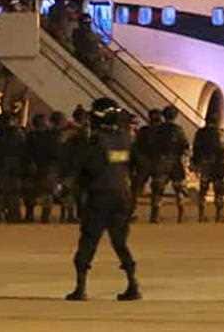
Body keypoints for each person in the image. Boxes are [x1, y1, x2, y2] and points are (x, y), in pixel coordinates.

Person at [60, 98, 141, 301]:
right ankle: (133, 284)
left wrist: (67, 187)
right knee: (120, 242)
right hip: (122, 195)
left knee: (88, 241)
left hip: (99, 196)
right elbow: (134, 166)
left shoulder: (94, 141)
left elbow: (86, 168)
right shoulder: (125, 138)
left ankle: (80, 288)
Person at [149, 106, 190, 224]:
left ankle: (155, 215)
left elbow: (151, 146)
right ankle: (181, 214)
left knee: (158, 190)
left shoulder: (156, 130)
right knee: (178, 189)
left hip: (160, 162)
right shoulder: (178, 130)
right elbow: (185, 146)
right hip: (175, 162)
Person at [192, 117, 224, 223]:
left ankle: (201, 215)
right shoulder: (219, 133)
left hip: (204, 165)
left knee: (203, 190)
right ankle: (219, 215)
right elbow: (223, 150)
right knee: (219, 191)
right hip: (218, 166)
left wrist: (195, 163)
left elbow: (196, 149)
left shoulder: (200, 133)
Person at [129, 109, 162, 220]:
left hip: (144, 163)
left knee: (136, 188)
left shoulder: (143, 131)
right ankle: (154, 215)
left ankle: (130, 211)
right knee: (157, 189)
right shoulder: (164, 131)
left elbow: (136, 147)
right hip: (158, 163)